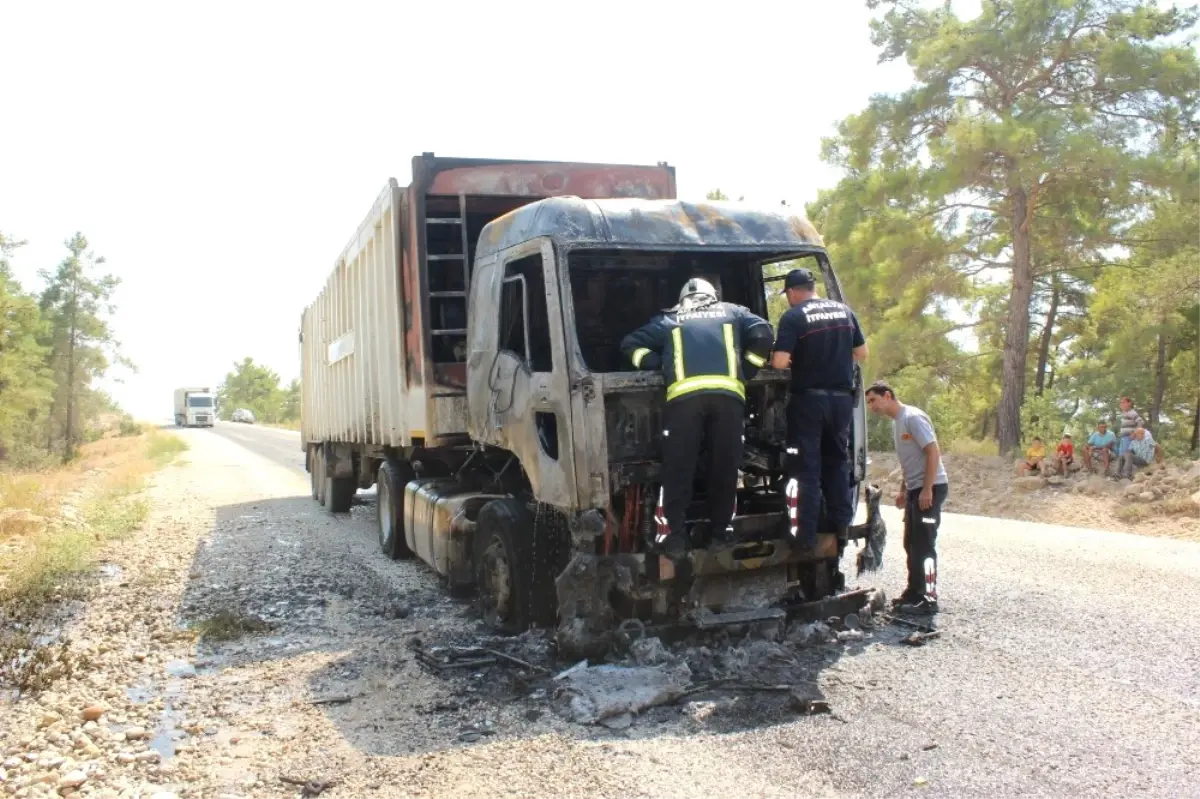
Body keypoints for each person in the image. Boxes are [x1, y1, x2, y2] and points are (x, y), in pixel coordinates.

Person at [619, 277, 774, 559]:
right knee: (725, 468)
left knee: (679, 469)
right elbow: (764, 333)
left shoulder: (669, 319)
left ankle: (674, 539)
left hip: (684, 401)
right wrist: (749, 368)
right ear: (712, 295)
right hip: (728, 399)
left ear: (683, 300)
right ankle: (721, 533)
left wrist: (659, 365)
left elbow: (631, 345)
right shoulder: (733, 312)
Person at [769, 267, 868, 550]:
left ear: (792, 291)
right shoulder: (844, 312)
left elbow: (778, 363)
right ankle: (841, 524)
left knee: (806, 468)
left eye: (788, 294)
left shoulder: (794, 316)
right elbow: (862, 353)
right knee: (838, 462)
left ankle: (805, 537)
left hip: (809, 401)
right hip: (840, 401)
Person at [864, 381, 948, 614]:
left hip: (930, 488)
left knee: (924, 545)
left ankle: (928, 599)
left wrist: (927, 489)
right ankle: (914, 593)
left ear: (888, 395)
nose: (871, 406)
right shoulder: (897, 422)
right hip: (915, 488)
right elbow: (909, 460)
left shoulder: (912, 417)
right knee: (911, 543)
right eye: (868, 402)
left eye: (873, 400)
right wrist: (905, 489)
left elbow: (932, 451)